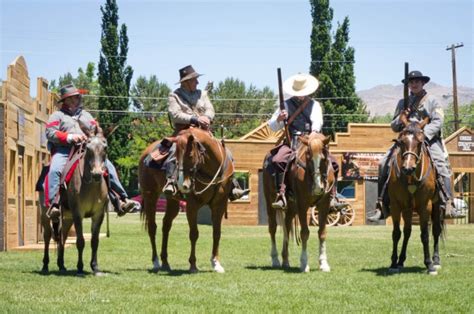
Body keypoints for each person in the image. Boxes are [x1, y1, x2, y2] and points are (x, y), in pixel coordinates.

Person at [368, 70, 465, 221]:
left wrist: (422, 135)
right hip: (406, 141)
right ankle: (382, 205)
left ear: (423, 83)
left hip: (428, 139)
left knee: (441, 165)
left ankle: (448, 204)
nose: (414, 84)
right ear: (408, 85)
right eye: (411, 82)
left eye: (417, 81)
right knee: (382, 163)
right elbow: (394, 126)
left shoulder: (433, 101)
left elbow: (438, 121)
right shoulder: (402, 103)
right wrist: (402, 118)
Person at [45, 84, 139, 221]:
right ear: (64, 101)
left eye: (75, 98)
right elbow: (50, 133)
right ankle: (53, 206)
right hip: (64, 150)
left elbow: (96, 130)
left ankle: (122, 199)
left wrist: (97, 135)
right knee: (54, 170)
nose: (73, 101)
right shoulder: (57, 115)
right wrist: (70, 137)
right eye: (70, 99)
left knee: (109, 167)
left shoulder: (86, 115)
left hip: (86, 150)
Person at [160, 65, 249, 200]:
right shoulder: (174, 96)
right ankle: (171, 182)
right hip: (184, 132)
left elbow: (210, 109)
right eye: (194, 79)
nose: (197, 82)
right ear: (186, 82)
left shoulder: (202, 94)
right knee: (174, 150)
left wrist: (207, 117)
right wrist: (195, 119)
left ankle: (233, 186)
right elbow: (175, 115)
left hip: (204, 133)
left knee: (227, 154)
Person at [267, 73, 345, 210]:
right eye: (298, 92)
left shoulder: (314, 105)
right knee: (278, 160)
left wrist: (313, 135)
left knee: (334, 163)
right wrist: (280, 118)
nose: (301, 95)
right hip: (292, 141)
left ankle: (333, 196)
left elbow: (317, 123)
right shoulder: (285, 104)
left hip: (311, 141)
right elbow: (272, 125)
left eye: (303, 92)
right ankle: (282, 194)